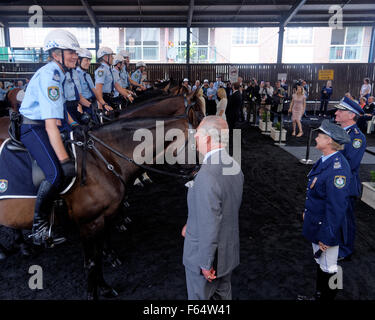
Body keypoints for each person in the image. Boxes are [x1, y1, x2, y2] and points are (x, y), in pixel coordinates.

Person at [18, 29, 79, 246]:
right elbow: (50, 125)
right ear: (56, 54)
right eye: (70, 52)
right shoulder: (50, 75)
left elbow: (60, 108)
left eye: (75, 52)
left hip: (46, 126)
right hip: (34, 129)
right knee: (55, 173)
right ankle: (39, 228)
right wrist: (64, 161)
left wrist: (74, 125)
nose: (75, 56)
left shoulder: (59, 73)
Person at [181, 116, 243, 300]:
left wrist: (206, 264)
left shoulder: (207, 175)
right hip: (227, 255)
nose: (195, 140)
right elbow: (225, 209)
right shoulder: (234, 166)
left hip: (206, 259)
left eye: (197, 135)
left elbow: (210, 222)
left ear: (208, 138)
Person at [299, 119, 351, 301]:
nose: (316, 138)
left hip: (327, 228)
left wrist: (327, 236)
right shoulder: (326, 160)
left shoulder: (338, 168)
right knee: (321, 264)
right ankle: (319, 296)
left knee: (331, 267)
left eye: (319, 135)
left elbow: (336, 207)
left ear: (329, 141)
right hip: (318, 223)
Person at [334, 96, 366, 260]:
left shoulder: (357, 137)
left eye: (341, 110)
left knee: (345, 219)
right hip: (336, 182)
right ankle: (336, 244)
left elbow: (350, 164)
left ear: (351, 115)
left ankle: (345, 250)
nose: (337, 112)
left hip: (345, 185)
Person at [76, 48, 109, 115]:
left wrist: (104, 104)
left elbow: (95, 91)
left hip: (91, 104)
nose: (89, 63)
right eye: (86, 60)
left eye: (90, 60)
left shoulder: (87, 75)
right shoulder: (75, 75)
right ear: (79, 61)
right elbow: (78, 97)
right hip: (83, 106)